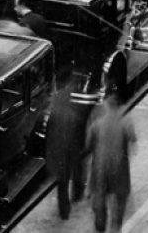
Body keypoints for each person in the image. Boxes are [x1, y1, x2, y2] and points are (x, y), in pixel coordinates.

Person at [85, 93, 136, 233]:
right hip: (119, 168)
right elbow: (133, 140)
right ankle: (116, 227)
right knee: (119, 203)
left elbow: (88, 146)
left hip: (100, 168)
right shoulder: (125, 122)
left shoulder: (97, 124)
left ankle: (100, 228)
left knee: (100, 203)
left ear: (107, 106)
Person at [47, 81, 88, 220]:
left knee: (62, 181)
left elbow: (49, 131)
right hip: (73, 148)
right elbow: (81, 129)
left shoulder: (55, 112)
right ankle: (78, 193)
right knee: (77, 170)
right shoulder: (75, 112)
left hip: (59, 149)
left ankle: (64, 210)